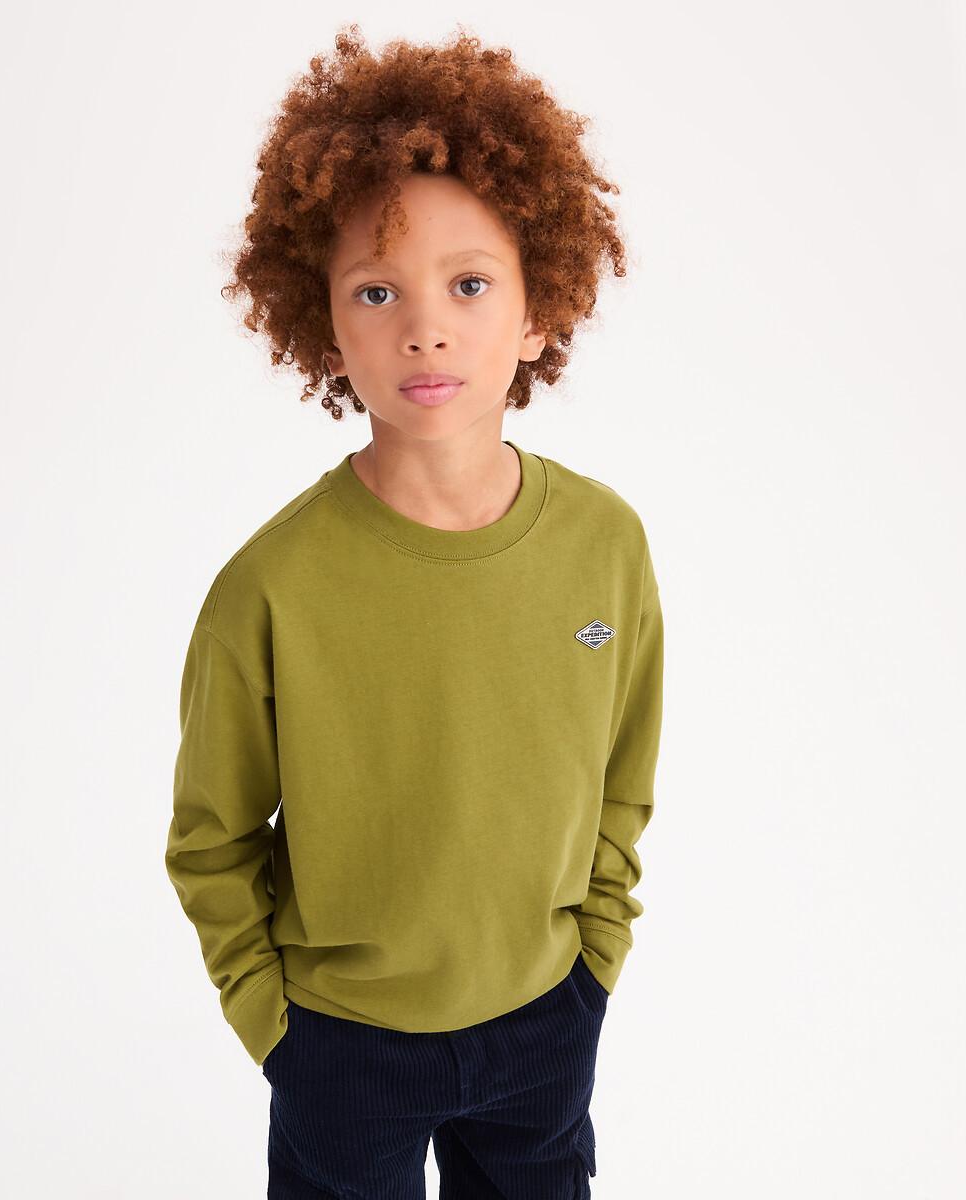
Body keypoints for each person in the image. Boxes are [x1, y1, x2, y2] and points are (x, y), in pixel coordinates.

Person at [165, 24, 664, 1198]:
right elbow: (212, 840)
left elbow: (623, 778)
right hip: (342, 1047)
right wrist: (278, 1028)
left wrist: (592, 963)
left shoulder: (606, 545)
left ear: (539, 308)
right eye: (377, 290)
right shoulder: (270, 587)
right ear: (325, 324)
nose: (424, 326)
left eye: (470, 284)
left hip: (547, 1024)